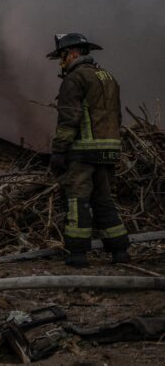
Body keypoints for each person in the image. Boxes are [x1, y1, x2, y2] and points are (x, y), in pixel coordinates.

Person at [46, 33, 130, 267]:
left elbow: (69, 119)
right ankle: (120, 251)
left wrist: (59, 151)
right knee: (104, 199)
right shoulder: (108, 77)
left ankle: (78, 254)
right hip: (108, 150)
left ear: (72, 53)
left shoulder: (74, 79)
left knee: (78, 200)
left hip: (83, 152)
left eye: (62, 57)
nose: (61, 63)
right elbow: (117, 116)